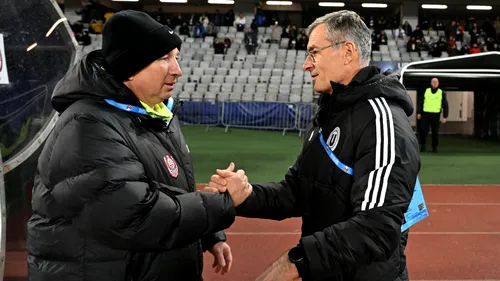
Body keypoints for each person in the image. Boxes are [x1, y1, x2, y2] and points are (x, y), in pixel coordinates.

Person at [27, 10, 252, 281]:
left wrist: (208, 235)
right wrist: (222, 204)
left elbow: (169, 188)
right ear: (129, 67)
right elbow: (137, 217)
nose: (177, 70)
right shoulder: (87, 125)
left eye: (177, 58)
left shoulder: (154, 112)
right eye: (163, 58)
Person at [205, 10, 420, 281]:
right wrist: (246, 196)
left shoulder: (381, 120)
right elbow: (298, 190)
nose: (306, 65)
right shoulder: (330, 114)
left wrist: (294, 262)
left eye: (314, 52)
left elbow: (376, 229)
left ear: (347, 52)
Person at [417, 77, 449, 152]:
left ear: (438, 83)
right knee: (423, 131)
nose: (435, 83)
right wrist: (419, 112)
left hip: (436, 115)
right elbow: (420, 102)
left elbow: (445, 105)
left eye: (436, 82)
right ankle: (423, 146)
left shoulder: (441, 92)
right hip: (425, 114)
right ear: (431, 83)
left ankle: (434, 147)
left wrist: (445, 116)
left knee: (435, 132)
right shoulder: (426, 91)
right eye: (433, 82)